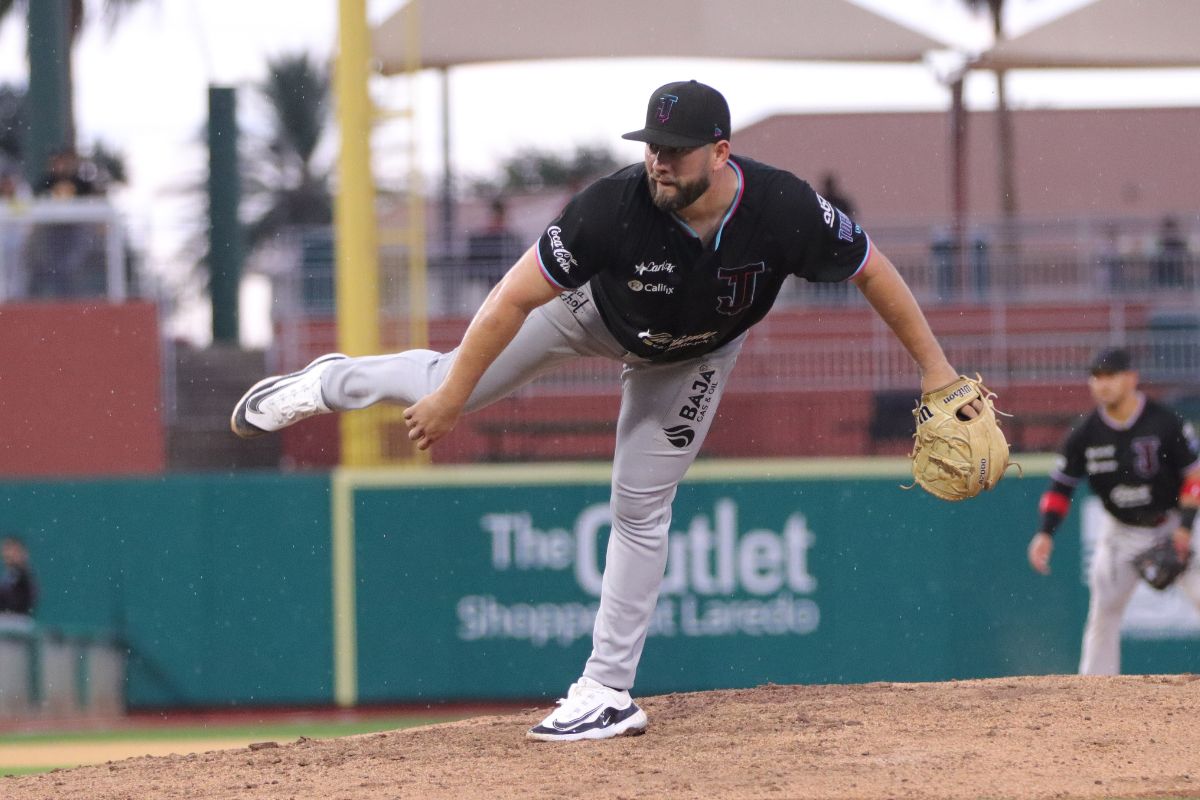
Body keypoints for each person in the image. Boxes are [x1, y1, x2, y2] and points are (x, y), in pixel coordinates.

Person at [232, 80, 973, 741]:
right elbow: (512, 297)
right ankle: (330, 385)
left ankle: (606, 692)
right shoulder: (609, 208)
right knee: (444, 372)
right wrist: (455, 396)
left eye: (677, 152)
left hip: (693, 356)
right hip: (586, 314)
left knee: (641, 505)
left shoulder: (783, 207)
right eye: (653, 147)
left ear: (721, 152)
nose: (660, 162)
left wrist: (937, 371)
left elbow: (873, 270)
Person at [1027, 347, 1200, 675]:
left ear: (1131, 378)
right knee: (1103, 613)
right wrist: (1045, 533)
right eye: (1097, 377)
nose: (1103, 384)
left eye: (1111, 376)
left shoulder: (1164, 422)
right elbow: (1060, 488)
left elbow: (1194, 478)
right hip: (1122, 532)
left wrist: (1185, 528)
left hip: (1172, 524)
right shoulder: (1084, 434)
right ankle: (1095, 693)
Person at [0, 535, 37, 619]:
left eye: (13, 550)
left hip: (16, 622)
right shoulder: (10, 574)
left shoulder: (23, 576)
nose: (8, 553)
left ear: (23, 552)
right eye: (6, 549)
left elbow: (20, 603)